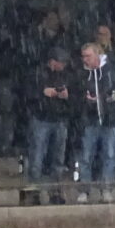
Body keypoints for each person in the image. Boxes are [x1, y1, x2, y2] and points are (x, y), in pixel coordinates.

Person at [27, 47, 74, 205]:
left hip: (60, 119)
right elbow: (28, 93)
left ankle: (56, 192)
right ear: (53, 62)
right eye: (61, 62)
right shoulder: (38, 73)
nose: (63, 65)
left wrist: (67, 95)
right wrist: (43, 92)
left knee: (58, 160)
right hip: (42, 119)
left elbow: (75, 92)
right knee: (37, 158)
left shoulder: (66, 75)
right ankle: (34, 192)